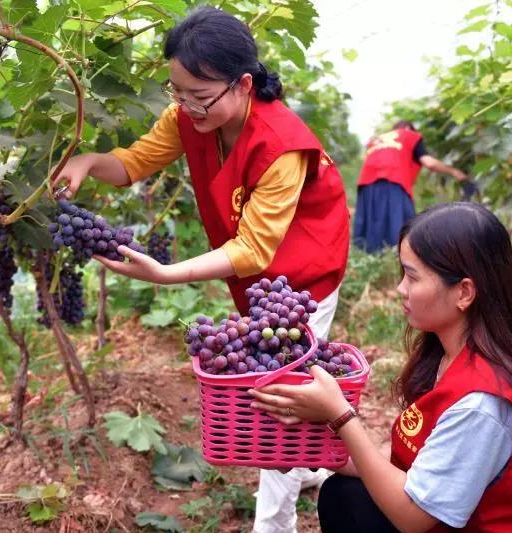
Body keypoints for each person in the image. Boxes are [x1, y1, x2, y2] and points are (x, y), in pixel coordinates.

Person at [50, 7, 350, 532]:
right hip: (255, 275)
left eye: (200, 96)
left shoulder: (282, 145)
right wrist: (90, 161)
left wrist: (166, 273)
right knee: (274, 387)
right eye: (177, 92)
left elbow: (255, 248)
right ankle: (310, 466)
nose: (186, 106)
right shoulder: (189, 116)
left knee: (278, 397)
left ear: (244, 84)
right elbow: (136, 162)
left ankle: (273, 524)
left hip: (305, 276)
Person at [250, 202, 512, 532]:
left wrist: (340, 415)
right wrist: (311, 450)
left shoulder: (482, 404)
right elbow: (400, 460)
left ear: (464, 292)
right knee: (345, 496)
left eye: (412, 277)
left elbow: (413, 518)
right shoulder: (447, 356)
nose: (400, 289)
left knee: (353, 501)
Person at [353, 121, 468, 254]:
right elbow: (429, 163)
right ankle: (402, 256)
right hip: (393, 178)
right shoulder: (410, 135)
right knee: (402, 224)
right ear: (408, 128)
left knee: (373, 224)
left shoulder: (377, 140)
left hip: (366, 183)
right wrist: (455, 172)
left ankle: (372, 257)